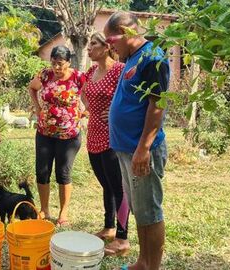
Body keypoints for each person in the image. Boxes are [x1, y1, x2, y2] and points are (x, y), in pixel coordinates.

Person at [104, 11, 170, 270]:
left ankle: (152, 266)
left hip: (142, 150)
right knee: (139, 210)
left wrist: (143, 148)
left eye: (112, 41)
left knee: (150, 212)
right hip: (125, 148)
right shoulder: (132, 57)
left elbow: (157, 105)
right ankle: (143, 262)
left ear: (127, 32)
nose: (111, 47)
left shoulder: (152, 57)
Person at [81, 31, 131, 256]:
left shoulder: (119, 70)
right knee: (106, 185)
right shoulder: (92, 70)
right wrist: (89, 109)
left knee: (118, 187)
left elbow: (132, 97)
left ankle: (122, 238)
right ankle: (109, 227)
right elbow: (84, 95)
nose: (89, 48)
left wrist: (114, 111)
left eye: (93, 44)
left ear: (106, 47)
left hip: (113, 136)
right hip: (94, 134)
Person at [28, 45, 85, 227]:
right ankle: (44, 209)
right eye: (54, 63)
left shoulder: (78, 77)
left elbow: (92, 94)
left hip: (69, 135)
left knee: (63, 172)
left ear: (68, 62)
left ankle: (63, 212)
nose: (57, 68)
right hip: (44, 132)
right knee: (42, 171)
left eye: (60, 64)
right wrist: (37, 108)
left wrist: (86, 112)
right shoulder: (45, 75)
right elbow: (32, 88)